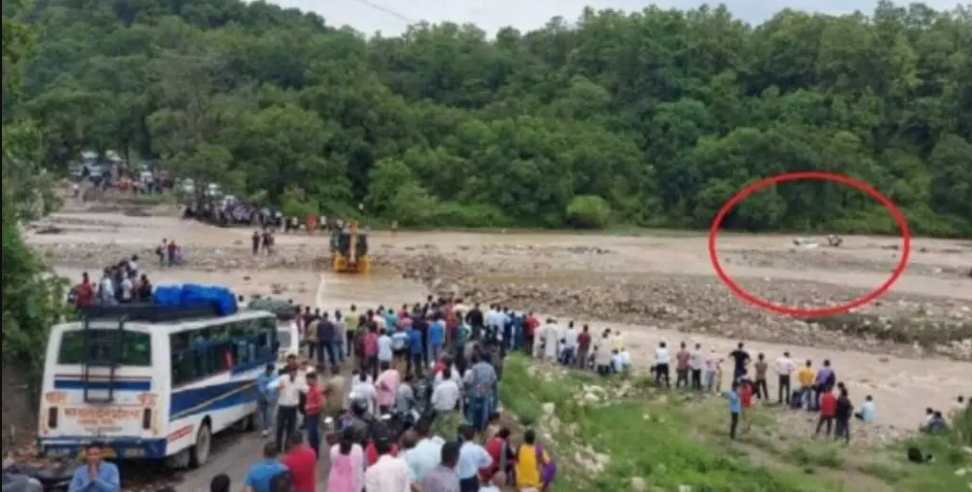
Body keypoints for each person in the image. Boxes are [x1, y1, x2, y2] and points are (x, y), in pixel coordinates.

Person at [272, 363, 307, 450]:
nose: (293, 373)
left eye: (295, 371)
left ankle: (287, 446)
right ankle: (278, 446)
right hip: (283, 406)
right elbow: (273, 385)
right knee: (280, 427)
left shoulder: (300, 380)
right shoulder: (282, 378)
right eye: (292, 371)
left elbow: (306, 389)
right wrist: (278, 387)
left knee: (291, 428)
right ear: (289, 372)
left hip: (293, 407)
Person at [464, 353, 498, 431]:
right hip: (486, 392)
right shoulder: (491, 368)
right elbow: (494, 380)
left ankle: (471, 428)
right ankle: (483, 428)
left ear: (481, 358)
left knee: (472, 409)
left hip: (475, 392)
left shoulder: (475, 367)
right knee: (485, 410)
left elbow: (471, 380)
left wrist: (468, 386)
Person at [407, 419, 447, 483]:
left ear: (414, 433)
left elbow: (411, 481)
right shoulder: (442, 447)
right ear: (429, 432)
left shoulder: (411, 454)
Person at [327, 427, 365, 492]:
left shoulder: (334, 449)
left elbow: (333, 463)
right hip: (355, 484)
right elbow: (360, 465)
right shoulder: (358, 449)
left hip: (336, 483)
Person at [457, 425, 492, 492]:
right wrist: (478, 465)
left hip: (461, 480)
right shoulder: (478, 448)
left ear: (462, 436)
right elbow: (489, 460)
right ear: (474, 436)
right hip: (474, 478)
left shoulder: (459, 449)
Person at [303, 371, 325, 457]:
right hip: (310, 415)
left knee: (313, 435)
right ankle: (313, 452)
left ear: (314, 379)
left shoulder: (316, 390)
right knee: (311, 435)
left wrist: (309, 406)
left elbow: (321, 404)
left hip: (314, 415)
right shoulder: (310, 389)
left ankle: (315, 453)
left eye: (308, 380)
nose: (307, 381)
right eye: (307, 380)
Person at [256, 363, 278, 438]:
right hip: (262, 398)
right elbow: (260, 388)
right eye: (270, 370)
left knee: (269, 413)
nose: (271, 371)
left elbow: (275, 387)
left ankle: (267, 428)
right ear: (267, 369)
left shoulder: (275, 375)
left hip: (271, 398)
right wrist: (266, 396)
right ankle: (265, 428)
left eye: (272, 370)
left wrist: (272, 397)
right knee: (262, 414)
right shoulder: (260, 376)